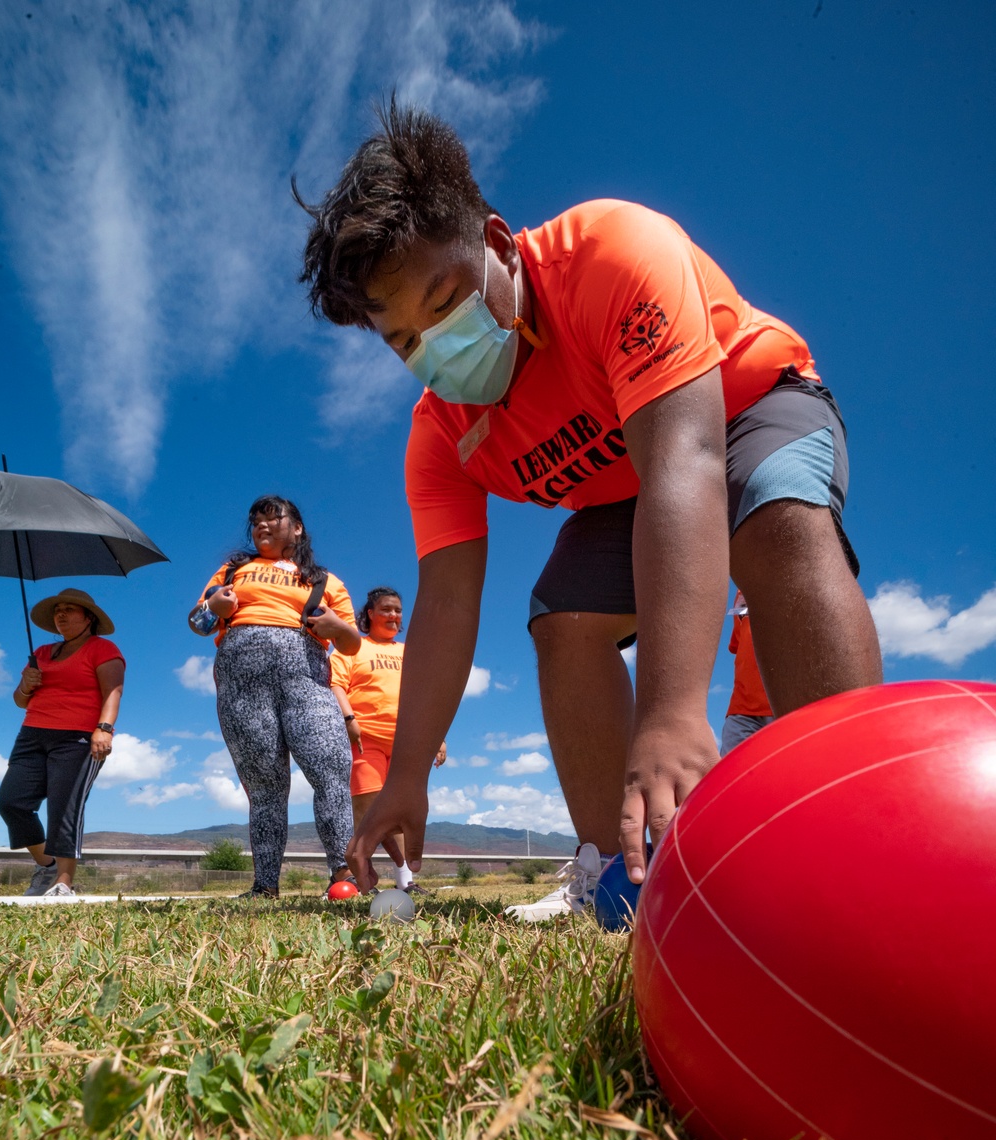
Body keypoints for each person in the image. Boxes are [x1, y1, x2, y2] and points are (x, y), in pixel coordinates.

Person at [296, 102, 882, 914]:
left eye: (444, 302)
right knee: (563, 618)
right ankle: (625, 876)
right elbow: (448, 601)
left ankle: (855, 837)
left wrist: (673, 713)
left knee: (775, 526)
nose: (434, 349)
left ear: (499, 244)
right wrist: (405, 779)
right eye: (404, 343)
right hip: (632, 487)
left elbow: (688, 461)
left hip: (741, 410)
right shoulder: (439, 441)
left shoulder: (613, 253)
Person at [194, 495, 361, 897]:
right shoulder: (234, 570)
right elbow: (198, 623)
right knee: (265, 784)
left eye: (272, 518)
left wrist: (336, 625)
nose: (261, 527)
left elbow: (353, 644)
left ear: (297, 527)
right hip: (241, 677)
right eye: (255, 522)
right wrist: (214, 605)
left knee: (331, 770)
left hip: (306, 677)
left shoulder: (326, 581)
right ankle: (264, 885)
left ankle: (345, 875)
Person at [0, 589, 124, 900]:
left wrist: (104, 729)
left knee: (64, 807)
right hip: (32, 735)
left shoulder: (103, 649)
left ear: (89, 618)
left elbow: (113, 692)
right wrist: (25, 685)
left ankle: (63, 883)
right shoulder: (40, 653)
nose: (61, 615)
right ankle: (46, 866)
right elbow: (19, 700)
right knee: (11, 801)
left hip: (78, 737)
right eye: (58, 610)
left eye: (70, 609)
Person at [330, 586, 446, 892]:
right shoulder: (351, 648)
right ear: (370, 614)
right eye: (386, 609)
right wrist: (348, 719)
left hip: (408, 743)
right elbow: (337, 685)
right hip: (364, 739)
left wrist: (438, 736)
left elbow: (423, 697)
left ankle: (407, 883)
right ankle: (362, 868)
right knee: (369, 809)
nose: (393, 615)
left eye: (397, 610)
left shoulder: (408, 652)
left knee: (402, 810)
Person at [721, 591, 774, 755]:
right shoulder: (741, 592)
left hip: (789, 705)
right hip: (742, 707)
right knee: (731, 776)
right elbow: (738, 644)